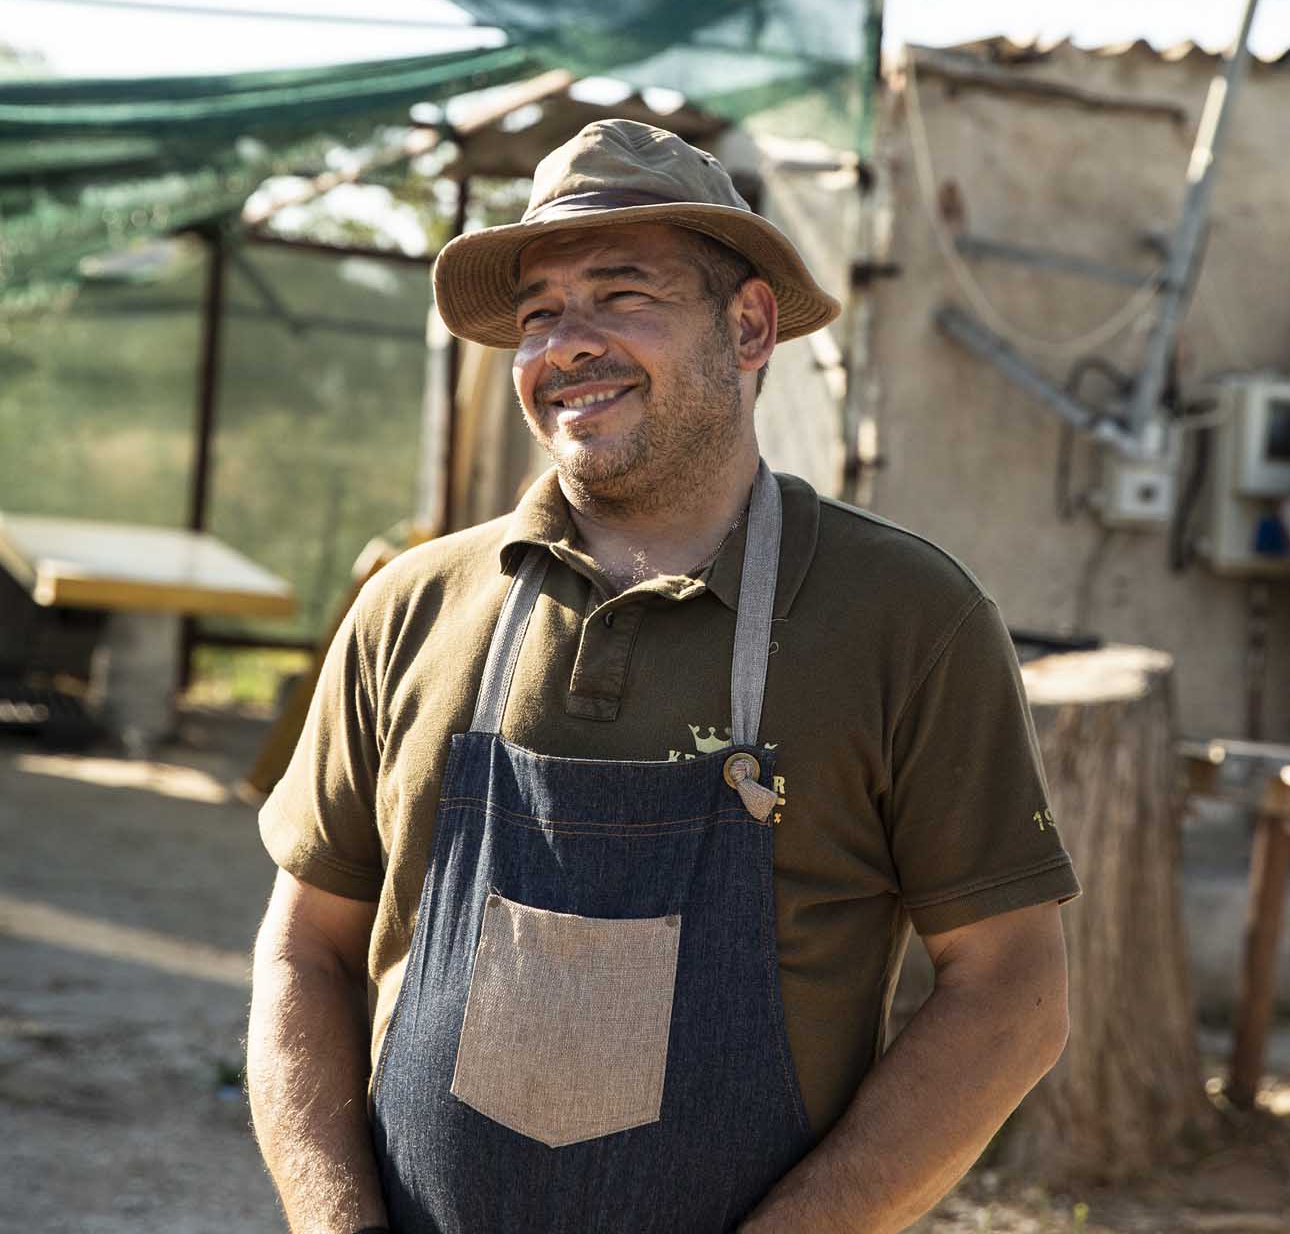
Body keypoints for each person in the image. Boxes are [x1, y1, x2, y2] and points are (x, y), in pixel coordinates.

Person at [248, 117, 1079, 1234]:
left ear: (749, 327)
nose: (567, 346)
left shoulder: (906, 618)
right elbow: (305, 948)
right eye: (539, 315)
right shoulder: (414, 607)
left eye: (621, 295)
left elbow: (1013, 992)